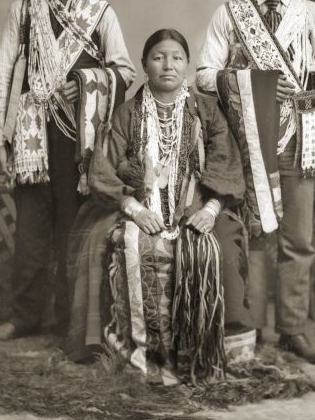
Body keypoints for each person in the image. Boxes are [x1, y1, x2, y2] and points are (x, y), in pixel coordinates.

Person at [66, 29, 251, 384]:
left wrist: (210, 210)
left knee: (222, 246)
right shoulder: (127, 113)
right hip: (138, 206)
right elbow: (102, 170)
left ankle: (216, 348)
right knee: (110, 242)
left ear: (188, 65)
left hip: (198, 206)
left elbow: (226, 164)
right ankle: (134, 348)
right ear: (144, 64)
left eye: (177, 57)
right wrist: (134, 209)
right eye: (158, 57)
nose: (168, 65)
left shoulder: (208, 111)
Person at [196, 0, 315, 364]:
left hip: (299, 138)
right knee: (254, 238)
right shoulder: (231, 13)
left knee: (297, 240)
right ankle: (250, 328)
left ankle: (292, 330)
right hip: (250, 142)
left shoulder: (311, 14)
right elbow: (203, 73)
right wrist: (251, 83)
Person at [0, 0, 136, 340]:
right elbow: (3, 75)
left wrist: (90, 80)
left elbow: (124, 69)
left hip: (80, 139)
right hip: (31, 136)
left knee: (74, 227)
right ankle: (24, 317)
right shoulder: (22, 9)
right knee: (32, 229)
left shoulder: (101, 11)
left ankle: (71, 320)